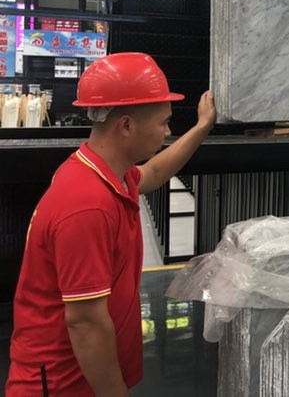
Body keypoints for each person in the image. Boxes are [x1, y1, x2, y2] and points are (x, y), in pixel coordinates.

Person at [5, 52, 216, 396]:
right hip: (65, 385)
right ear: (126, 126)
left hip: (85, 378)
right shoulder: (87, 206)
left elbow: (154, 172)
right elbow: (85, 323)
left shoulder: (106, 173)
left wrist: (202, 127)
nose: (167, 131)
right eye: (163, 122)